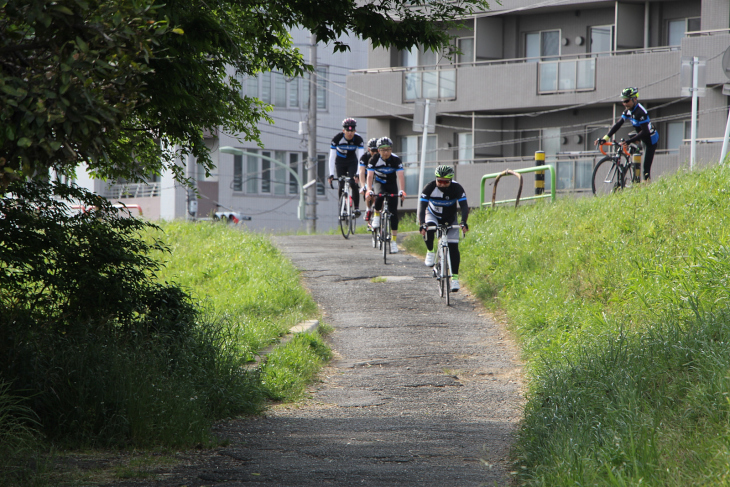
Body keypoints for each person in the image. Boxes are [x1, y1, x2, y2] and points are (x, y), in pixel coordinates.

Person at [418, 165, 469, 292]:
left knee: (453, 247)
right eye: (439, 180)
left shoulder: (457, 188)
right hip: (432, 214)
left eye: (445, 181)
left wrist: (463, 222)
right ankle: (430, 251)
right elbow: (422, 207)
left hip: (450, 217)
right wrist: (422, 223)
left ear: (451, 180)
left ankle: (455, 279)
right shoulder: (429, 187)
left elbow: (464, 207)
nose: (441, 184)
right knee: (430, 228)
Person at [595, 87, 659, 182]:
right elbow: (618, 124)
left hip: (650, 139)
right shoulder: (628, 111)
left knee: (646, 169)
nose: (624, 104)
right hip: (639, 133)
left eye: (627, 101)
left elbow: (645, 132)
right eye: (623, 101)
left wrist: (628, 142)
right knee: (625, 142)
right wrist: (605, 138)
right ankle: (629, 167)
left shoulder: (641, 112)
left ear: (635, 99)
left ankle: (647, 188)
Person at [366, 137, 406, 253]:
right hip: (379, 182)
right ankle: (377, 215)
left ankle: (393, 242)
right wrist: (369, 190)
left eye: (388, 149)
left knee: (393, 213)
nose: (386, 152)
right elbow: (369, 176)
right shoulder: (374, 160)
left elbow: (401, 176)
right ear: (378, 150)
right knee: (379, 195)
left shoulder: (396, 159)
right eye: (383, 150)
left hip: (392, 183)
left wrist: (402, 190)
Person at [328, 118, 365, 216]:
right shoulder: (337, 139)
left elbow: (361, 158)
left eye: (352, 130)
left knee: (353, 183)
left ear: (355, 131)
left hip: (352, 161)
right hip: (340, 162)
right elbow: (331, 158)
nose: (350, 132)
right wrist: (331, 174)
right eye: (347, 130)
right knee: (341, 183)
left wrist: (358, 174)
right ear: (343, 130)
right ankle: (342, 208)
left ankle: (356, 208)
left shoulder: (358, 139)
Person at [359, 138, 378, 222]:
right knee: (368, 192)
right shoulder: (364, 157)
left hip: (378, 177)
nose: (374, 153)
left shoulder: (381, 157)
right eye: (372, 150)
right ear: (369, 149)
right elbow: (361, 172)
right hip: (368, 177)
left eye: (376, 150)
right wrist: (363, 186)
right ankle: (368, 209)